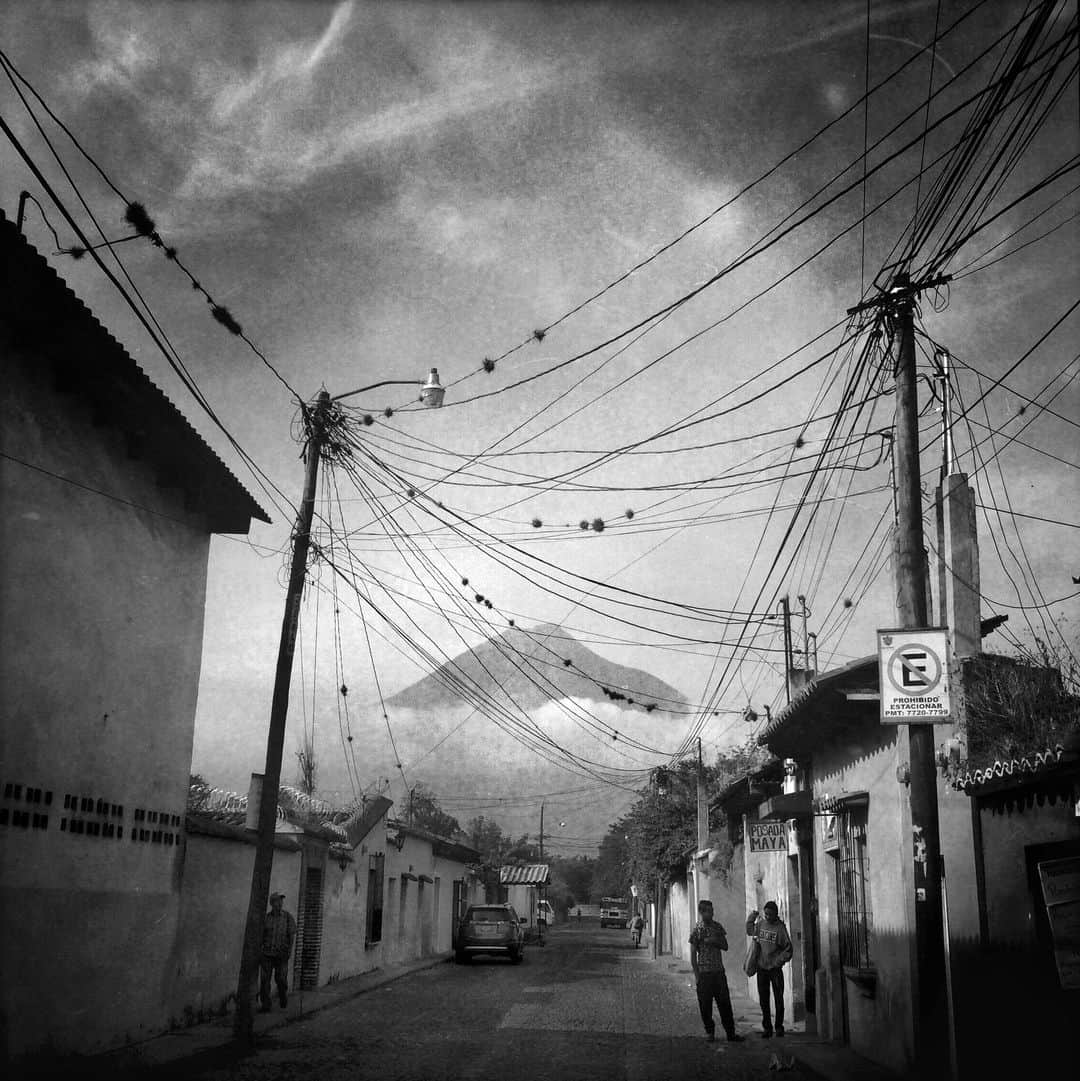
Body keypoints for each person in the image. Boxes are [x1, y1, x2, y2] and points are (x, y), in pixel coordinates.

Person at [688, 899, 745, 1043]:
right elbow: (693, 955)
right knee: (705, 1006)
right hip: (704, 974)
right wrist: (696, 976)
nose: (712, 913)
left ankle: (730, 1033)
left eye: (712, 910)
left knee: (725, 1004)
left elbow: (725, 946)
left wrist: (715, 941)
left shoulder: (718, 927)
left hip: (718, 972)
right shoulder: (697, 931)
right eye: (708, 911)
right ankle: (710, 1032)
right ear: (702, 912)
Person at [746, 901, 794, 1037]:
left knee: (778, 998)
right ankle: (767, 1028)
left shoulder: (780, 929)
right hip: (762, 968)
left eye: (770, 914)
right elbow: (750, 930)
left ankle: (779, 1027)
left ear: (776, 914)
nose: (767, 916)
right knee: (764, 999)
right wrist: (751, 917)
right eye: (765, 913)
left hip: (775, 970)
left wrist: (778, 961)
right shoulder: (761, 924)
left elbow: (788, 950)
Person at [260, 891, 297, 1013]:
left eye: (281, 901)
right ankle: (266, 1004)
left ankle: (282, 994)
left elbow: (291, 935)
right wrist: (261, 949)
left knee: (281, 979)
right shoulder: (266, 918)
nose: (280, 903)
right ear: (272, 903)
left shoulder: (287, 917)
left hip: (281, 955)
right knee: (265, 980)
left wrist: (289, 951)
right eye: (277, 901)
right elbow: (261, 935)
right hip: (267, 954)